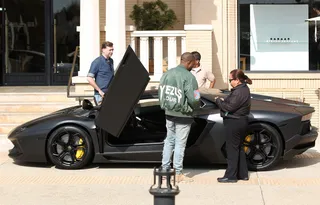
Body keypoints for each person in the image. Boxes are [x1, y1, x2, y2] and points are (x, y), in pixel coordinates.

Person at [158, 52, 200, 183]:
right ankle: (178, 173)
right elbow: (195, 98)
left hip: (169, 113)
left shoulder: (167, 74)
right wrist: (197, 106)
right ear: (188, 62)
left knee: (169, 141)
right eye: (193, 63)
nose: (194, 66)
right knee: (180, 144)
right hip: (184, 115)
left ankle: (164, 171)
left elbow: (161, 92)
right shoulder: (190, 77)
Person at [214, 69, 252, 183]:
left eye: (231, 80)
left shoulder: (239, 92)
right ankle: (242, 174)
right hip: (240, 122)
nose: (230, 82)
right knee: (238, 148)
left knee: (232, 149)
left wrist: (218, 101)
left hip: (234, 122)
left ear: (237, 80)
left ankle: (230, 176)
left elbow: (229, 108)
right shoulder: (243, 89)